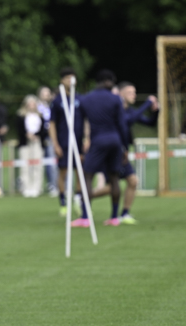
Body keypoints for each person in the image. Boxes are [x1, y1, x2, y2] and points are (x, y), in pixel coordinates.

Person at [92, 81, 159, 224]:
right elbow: (129, 121)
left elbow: (150, 123)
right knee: (112, 187)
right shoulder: (117, 109)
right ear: (120, 94)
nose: (133, 95)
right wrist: (147, 103)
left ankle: (124, 213)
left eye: (134, 92)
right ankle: (84, 197)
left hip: (122, 153)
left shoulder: (130, 110)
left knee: (133, 181)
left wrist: (155, 111)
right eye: (130, 92)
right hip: (113, 152)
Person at [72, 69, 127, 227]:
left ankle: (85, 217)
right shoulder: (116, 99)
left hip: (98, 140)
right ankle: (114, 217)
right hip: (115, 140)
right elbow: (121, 125)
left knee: (87, 176)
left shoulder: (85, 99)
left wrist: (80, 147)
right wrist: (125, 146)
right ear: (107, 81)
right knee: (114, 177)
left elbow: (79, 125)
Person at [49, 68, 86, 217]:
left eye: (73, 77)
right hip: (64, 141)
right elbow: (51, 124)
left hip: (79, 141)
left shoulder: (80, 99)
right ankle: (63, 203)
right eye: (68, 77)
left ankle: (78, 199)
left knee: (81, 171)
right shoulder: (57, 100)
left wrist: (87, 138)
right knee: (63, 171)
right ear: (62, 80)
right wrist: (55, 143)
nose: (71, 80)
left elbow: (86, 120)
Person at [16, 95, 44, 197]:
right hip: (25, 143)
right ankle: (26, 188)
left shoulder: (40, 116)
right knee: (25, 166)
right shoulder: (21, 116)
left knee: (37, 165)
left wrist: (36, 136)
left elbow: (43, 130)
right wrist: (27, 134)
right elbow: (19, 129)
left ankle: (36, 188)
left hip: (37, 143)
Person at [37, 86, 58, 196]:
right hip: (46, 138)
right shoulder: (38, 107)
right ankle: (52, 185)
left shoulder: (53, 106)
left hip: (56, 137)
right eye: (44, 93)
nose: (47, 95)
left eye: (48, 93)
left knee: (57, 163)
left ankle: (58, 184)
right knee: (50, 163)